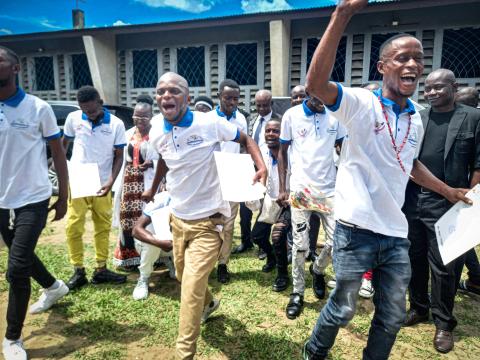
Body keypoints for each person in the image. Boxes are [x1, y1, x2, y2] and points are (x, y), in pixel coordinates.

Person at [302, 1, 470, 359]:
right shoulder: (362, 103)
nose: (412, 65)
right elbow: (316, 84)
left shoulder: (417, 118)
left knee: (392, 315)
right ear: (382, 67)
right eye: (402, 58)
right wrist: (342, 14)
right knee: (344, 309)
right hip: (354, 228)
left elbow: (409, 164)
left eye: (418, 59)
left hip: (395, 234)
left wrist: (447, 190)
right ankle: (314, 351)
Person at [144, 72, 266, 360]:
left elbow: (245, 138)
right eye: (160, 91)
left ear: (186, 97)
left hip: (209, 224)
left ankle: (184, 353)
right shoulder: (156, 130)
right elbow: (163, 157)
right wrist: (152, 188)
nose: (166, 96)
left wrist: (260, 166)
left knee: (189, 290)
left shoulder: (209, 122)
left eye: (173, 90)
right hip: (178, 220)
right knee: (183, 276)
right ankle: (210, 305)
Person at [403, 69, 480, 353]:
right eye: (428, 88)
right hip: (414, 200)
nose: (432, 92)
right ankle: (419, 307)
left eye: (438, 87)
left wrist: (470, 199)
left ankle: (444, 322)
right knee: (415, 258)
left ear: (453, 87)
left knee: (446, 267)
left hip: (450, 203)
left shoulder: (472, 117)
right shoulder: (418, 118)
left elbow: (478, 164)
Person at [0, 46, 70, 360]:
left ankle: (12, 339)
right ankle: (54, 286)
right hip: (1, 201)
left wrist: (64, 195)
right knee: (21, 254)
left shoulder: (37, 108)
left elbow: (58, 154)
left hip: (33, 198)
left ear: (15, 68)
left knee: (15, 269)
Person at [278, 94, 345, 320]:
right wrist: (283, 187)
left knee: (336, 242)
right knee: (300, 244)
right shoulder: (291, 115)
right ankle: (297, 292)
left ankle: (317, 270)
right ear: (308, 92)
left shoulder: (335, 116)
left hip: (329, 190)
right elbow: (282, 151)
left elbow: (344, 150)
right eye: (316, 95)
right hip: (301, 190)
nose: (321, 100)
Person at [63, 85, 127, 290]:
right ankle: (78, 269)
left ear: (100, 103)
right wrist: (64, 168)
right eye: (84, 110)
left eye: (91, 110)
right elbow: (64, 143)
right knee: (74, 225)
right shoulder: (73, 118)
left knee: (102, 225)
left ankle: (101, 268)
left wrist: (110, 181)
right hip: (80, 177)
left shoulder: (116, 124)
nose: (88, 114)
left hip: (102, 180)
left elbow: (119, 156)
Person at [112, 94, 158, 270]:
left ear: (151, 116)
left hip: (148, 183)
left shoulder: (157, 134)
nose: (140, 120)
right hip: (129, 182)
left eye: (144, 117)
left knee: (147, 219)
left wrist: (151, 163)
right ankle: (130, 257)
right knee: (127, 219)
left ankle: (152, 256)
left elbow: (164, 159)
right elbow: (121, 158)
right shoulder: (128, 134)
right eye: (136, 117)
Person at [233, 89, 280, 256]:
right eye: (258, 105)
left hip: (270, 168)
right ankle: (246, 241)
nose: (261, 109)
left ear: (272, 104)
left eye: (265, 105)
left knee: (265, 207)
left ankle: (262, 244)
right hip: (250, 167)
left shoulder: (279, 121)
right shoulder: (251, 121)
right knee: (244, 206)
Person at [210, 79, 248, 283]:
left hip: (232, 179)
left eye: (235, 98)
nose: (232, 102)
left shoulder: (241, 119)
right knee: (210, 224)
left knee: (228, 226)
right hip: (210, 181)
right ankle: (207, 262)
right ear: (219, 97)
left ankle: (223, 264)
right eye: (228, 98)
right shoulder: (207, 119)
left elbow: (243, 146)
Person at [455, 86, 480, 295]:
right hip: (464, 190)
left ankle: (476, 278)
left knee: (461, 236)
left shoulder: (474, 121)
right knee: (463, 236)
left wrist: (471, 196)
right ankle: (476, 278)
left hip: (469, 192)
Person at [131, 191, 175, 300]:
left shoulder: (193, 197)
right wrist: (160, 243)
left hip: (173, 243)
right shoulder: (162, 198)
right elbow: (136, 230)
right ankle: (144, 278)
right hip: (150, 243)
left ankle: (172, 263)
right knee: (153, 243)